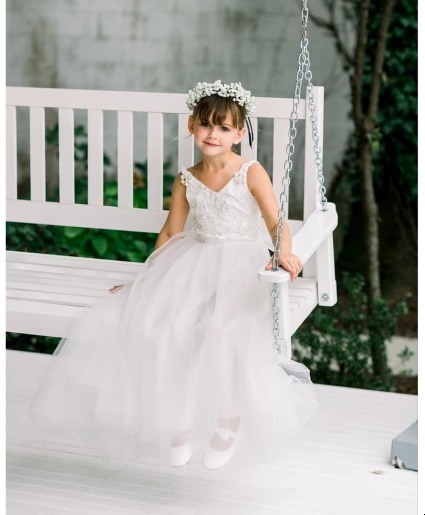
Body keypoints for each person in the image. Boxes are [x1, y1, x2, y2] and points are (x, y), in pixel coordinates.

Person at [30, 80, 317, 470]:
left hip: (242, 265)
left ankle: (228, 421)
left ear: (239, 133)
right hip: (194, 260)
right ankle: (175, 421)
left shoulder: (250, 172)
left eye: (224, 128)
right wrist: (148, 276)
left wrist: (285, 253)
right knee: (161, 327)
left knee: (221, 330)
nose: (213, 135)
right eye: (206, 125)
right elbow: (170, 232)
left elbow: (274, 221)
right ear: (191, 125)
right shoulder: (186, 178)